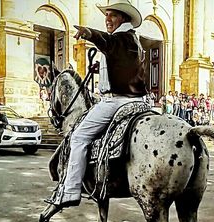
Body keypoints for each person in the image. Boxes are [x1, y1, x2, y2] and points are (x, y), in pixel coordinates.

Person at [45, 0, 146, 208]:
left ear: (123, 19)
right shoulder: (133, 41)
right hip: (139, 101)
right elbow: (122, 62)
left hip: (116, 101)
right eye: (106, 15)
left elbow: (108, 43)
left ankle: (71, 190)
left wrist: (89, 33)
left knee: (79, 137)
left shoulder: (119, 38)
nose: (107, 19)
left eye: (112, 15)